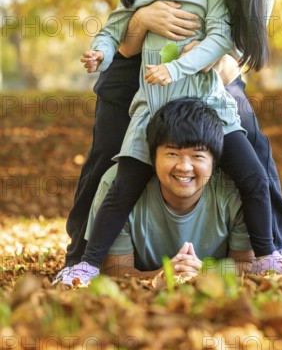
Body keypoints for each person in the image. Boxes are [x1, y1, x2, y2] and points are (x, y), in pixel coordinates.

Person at [54, 0, 282, 287]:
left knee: (253, 147)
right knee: (109, 157)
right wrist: (142, 19)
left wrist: (204, 59)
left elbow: (230, 60)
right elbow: (124, 40)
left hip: (206, 82)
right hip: (142, 77)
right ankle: (82, 259)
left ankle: (272, 248)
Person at [60, 99, 259, 286]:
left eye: (197, 156)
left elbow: (246, 264)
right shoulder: (117, 186)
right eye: (172, 153)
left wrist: (205, 272)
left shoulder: (233, 191)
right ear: (152, 156)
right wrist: (162, 276)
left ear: (214, 161)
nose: (184, 167)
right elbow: (115, 269)